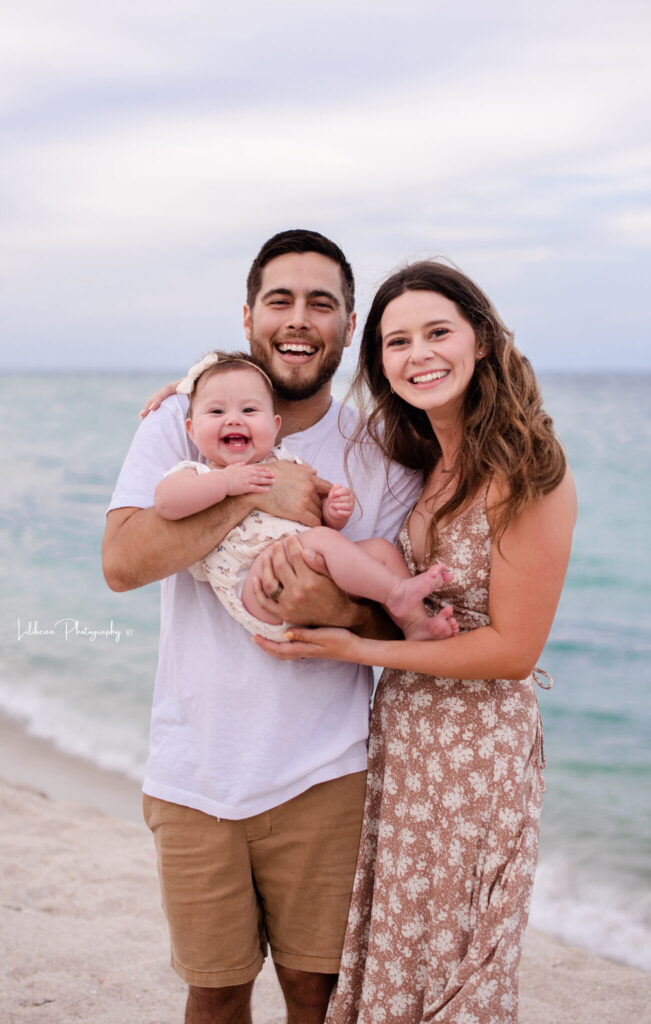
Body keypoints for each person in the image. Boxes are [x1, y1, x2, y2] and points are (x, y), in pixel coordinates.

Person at [102, 229, 421, 1024]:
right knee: (213, 991)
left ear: (349, 327)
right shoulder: (183, 422)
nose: (299, 318)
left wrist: (323, 601)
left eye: (323, 303)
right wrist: (253, 493)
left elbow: (387, 607)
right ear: (248, 317)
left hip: (328, 769)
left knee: (320, 994)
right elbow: (121, 563)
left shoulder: (377, 452)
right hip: (196, 768)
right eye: (280, 299)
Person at [255, 261, 578, 1024]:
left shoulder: (527, 471)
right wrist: (187, 398)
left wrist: (352, 651)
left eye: (437, 332)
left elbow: (512, 653)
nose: (417, 354)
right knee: (397, 949)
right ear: (380, 365)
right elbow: (273, 419)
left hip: (475, 754)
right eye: (396, 341)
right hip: (404, 743)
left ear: (482, 341)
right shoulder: (422, 463)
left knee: (458, 963)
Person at [156, 349, 457, 642]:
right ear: (191, 430)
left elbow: (315, 522)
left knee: (379, 550)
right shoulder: (197, 474)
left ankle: (416, 625)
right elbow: (168, 503)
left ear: (274, 427)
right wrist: (226, 483)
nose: (233, 420)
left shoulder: (285, 463)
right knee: (321, 543)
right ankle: (395, 594)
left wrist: (333, 512)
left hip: (312, 576)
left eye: (249, 410)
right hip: (254, 586)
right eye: (216, 411)